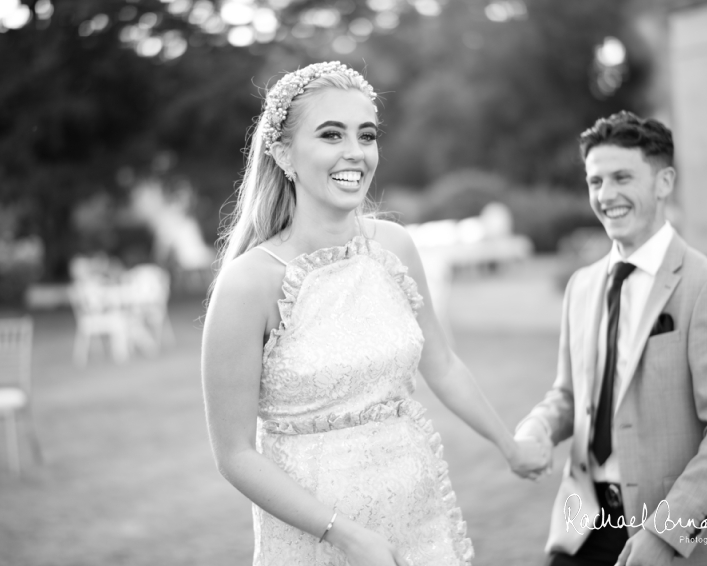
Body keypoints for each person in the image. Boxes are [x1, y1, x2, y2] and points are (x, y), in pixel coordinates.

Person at [201, 61, 547, 566]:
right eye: (330, 134)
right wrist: (344, 535)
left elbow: (444, 365)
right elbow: (233, 454)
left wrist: (509, 445)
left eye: (366, 135)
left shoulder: (395, 247)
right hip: (316, 536)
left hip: (418, 511)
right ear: (282, 154)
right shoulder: (248, 283)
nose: (355, 153)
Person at [512, 111, 707, 566]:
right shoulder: (582, 285)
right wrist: (539, 427)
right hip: (581, 527)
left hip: (672, 537)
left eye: (622, 177)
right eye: (595, 181)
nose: (606, 196)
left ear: (664, 182)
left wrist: (665, 532)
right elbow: (570, 395)